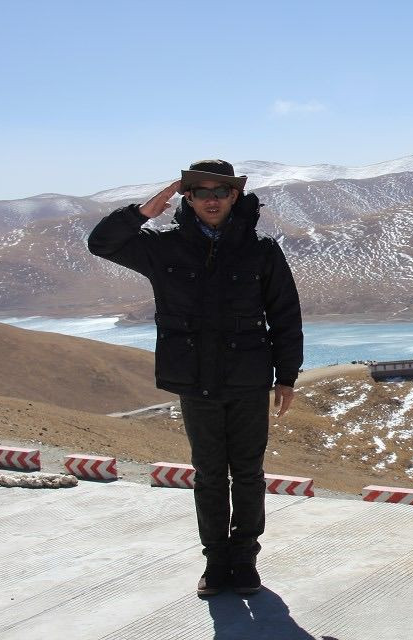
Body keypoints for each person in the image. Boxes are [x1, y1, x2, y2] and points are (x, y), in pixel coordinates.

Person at [87, 159, 303, 597]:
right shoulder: (163, 246)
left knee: (248, 474)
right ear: (187, 196)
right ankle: (216, 562)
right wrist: (142, 213)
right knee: (208, 474)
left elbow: (284, 314)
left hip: (247, 380)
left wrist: (287, 376)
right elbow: (101, 244)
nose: (211, 199)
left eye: (220, 191)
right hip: (195, 380)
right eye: (201, 191)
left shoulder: (260, 249)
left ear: (234, 196)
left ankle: (245, 561)